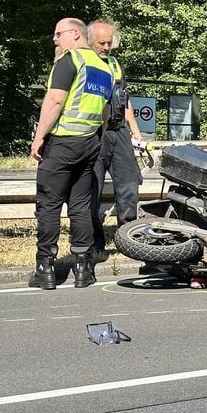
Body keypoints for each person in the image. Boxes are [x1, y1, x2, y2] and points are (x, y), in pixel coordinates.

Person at [28, 17, 113, 290]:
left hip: (62, 143)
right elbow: (104, 112)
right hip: (89, 143)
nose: (55, 39)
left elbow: (54, 101)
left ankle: (45, 268)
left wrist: (39, 137)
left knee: (49, 205)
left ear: (76, 34)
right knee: (79, 207)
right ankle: (83, 268)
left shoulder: (70, 61)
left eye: (58, 34)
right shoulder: (104, 68)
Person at [87, 19, 144, 253]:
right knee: (92, 188)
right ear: (89, 41)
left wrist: (137, 135)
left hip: (118, 130)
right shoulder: (84, 63)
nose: (106, 47)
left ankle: (127, 237)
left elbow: (124, 99)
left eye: (110, 43)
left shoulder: (114, 64)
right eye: (102, 42)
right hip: (94, 134)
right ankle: (93, 241)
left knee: (129, 182)